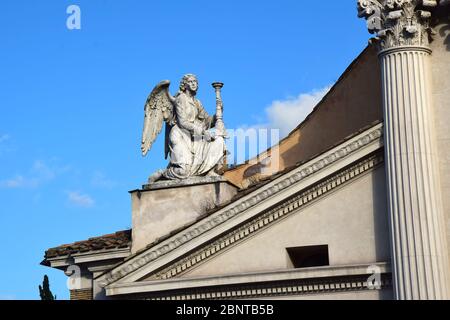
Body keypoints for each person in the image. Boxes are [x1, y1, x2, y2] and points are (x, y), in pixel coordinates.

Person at [156, 74, 225, 181]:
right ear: (185, 84)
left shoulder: (197, 102)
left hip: (194, 136)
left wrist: (218, 112)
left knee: (219, 140)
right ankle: (162, 174)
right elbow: (182, 122)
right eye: (191, 81)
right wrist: (202, 131)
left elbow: (207, 120)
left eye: (195, 82)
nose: (194, 84)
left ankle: (209, 170)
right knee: (184, 172)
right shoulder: (180, 99)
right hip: (180, 135)